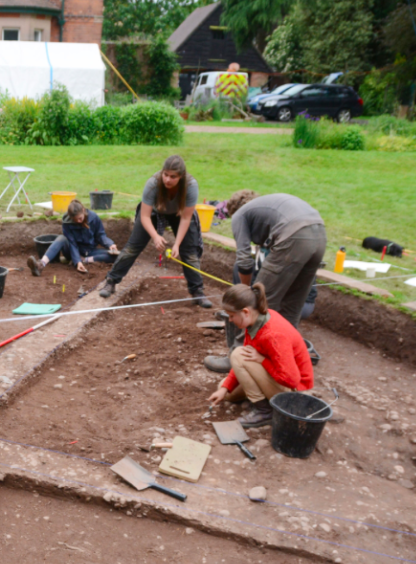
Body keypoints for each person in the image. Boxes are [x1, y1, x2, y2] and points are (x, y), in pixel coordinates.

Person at [204, 190, 327, 373]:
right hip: (319, 235)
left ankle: (237, 357)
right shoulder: (265, 210)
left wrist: (246, 292)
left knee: (258, 302)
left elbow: (244, 261)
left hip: (294, 235)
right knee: (292, 306)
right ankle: (285, 358)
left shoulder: (239, 215)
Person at [99, 155, 212, 307]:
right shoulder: (153, 184)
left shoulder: (190, 186)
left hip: (179, 214)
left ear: (181, 176)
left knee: (190, 253)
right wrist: (156, 236)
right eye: (165, 174)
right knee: (132, 248)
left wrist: (177, 244)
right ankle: (111, 281)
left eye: (173, 177)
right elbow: (144, 216)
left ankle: (197, 291)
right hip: (153, 213)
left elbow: (186, 218)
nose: (168, 180)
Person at [207, 283, 314, 428]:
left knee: (238, 354)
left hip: (294, 392)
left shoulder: (273, 335)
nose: (230, 320)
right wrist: (224, 388)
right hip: (277, 377)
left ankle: (264, 411)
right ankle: (260, 398)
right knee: (225, 389)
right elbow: (245, 358)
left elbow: (291, 380)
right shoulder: (255, 321)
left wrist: (262, 360)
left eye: (232, 316)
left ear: (245, 312)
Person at [27, 200, 118, 276]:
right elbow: (72, 243)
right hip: (71, 251)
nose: (79, 221)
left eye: (80, 218)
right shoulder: (67, 223)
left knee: (117, 256)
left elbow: (100, 235)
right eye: (75, 219)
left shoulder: (94, 218)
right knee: (61, 238)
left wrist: (110, 244)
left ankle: (85, 260)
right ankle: (40, 265)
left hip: (90, 252)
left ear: (83, 210)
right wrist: (77, 261)